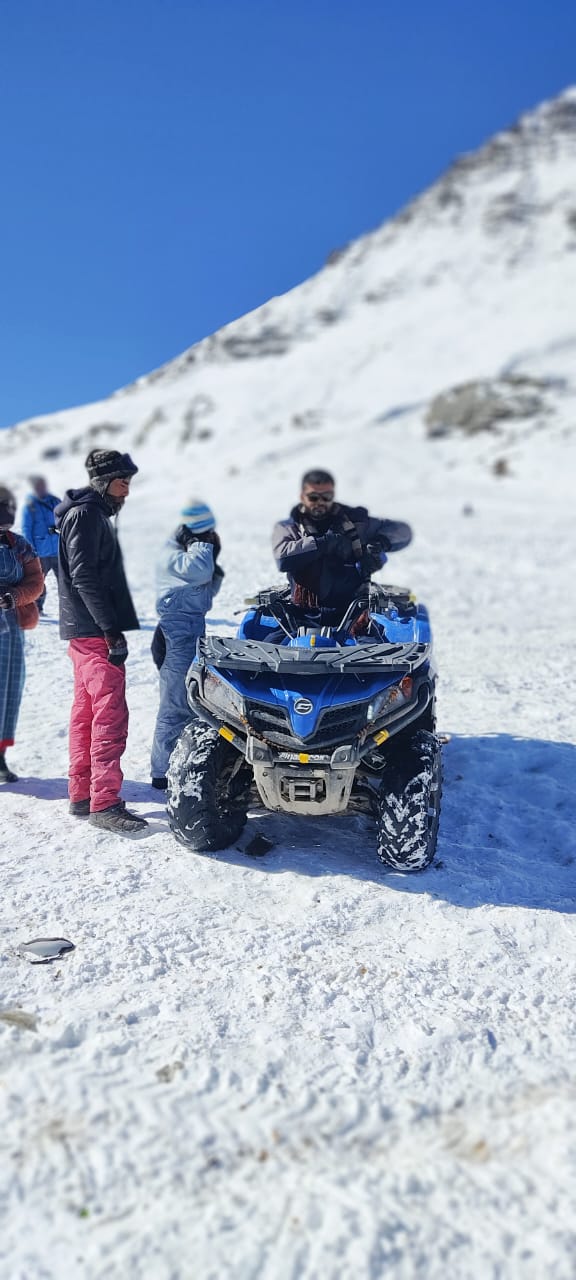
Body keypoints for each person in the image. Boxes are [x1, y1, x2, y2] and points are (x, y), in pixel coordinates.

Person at [55, 450, 147, 833]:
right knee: (109, 716)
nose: (126, 492)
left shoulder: (85, 514)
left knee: (87, 714)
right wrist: (109, 628)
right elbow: (84, 575)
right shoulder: (87, 514)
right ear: (103, 482)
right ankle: (104, 803)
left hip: (83, 629)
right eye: (122, 483)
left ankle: (82, 794)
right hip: (93, 632)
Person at [150, 499, 224, 789]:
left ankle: (179, 764)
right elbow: (200, 572)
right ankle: (161, 772)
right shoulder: (173, 553)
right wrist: (203, 546)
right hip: (176, 632)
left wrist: (211, 555)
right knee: (175, 705)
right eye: (205, 534)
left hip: (191, 628)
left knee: (193, 701)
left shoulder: (184, 551)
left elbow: (208, 585)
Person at [273, 468, 412, 615]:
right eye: (313, 497)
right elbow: (282, 557)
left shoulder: (356, 522)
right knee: (274, 638)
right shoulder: (290, 526)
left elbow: (404, 532)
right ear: (302, 497)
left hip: (353, 614)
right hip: (301, 613)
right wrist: (324, 543)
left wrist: (380, 543)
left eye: (326, 496)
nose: (320, 502)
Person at [0, 485, 43, 783]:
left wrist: (14, 597)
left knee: (7, 691)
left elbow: (36, 582)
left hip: (11, 628)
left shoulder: (20, 545)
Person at [21, 475, 61, 613]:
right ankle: (37, 607)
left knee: (65, 581)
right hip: (40, 552)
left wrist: (58, 531)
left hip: (57, 550)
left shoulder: (55, 501)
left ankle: (70, 608)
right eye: (38, 485)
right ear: (34, 488)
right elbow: (26, 529)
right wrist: (31, 550)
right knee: (37, 582)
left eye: (43, 485)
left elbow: (65, 520)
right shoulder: (30, 506)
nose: (41, 488)